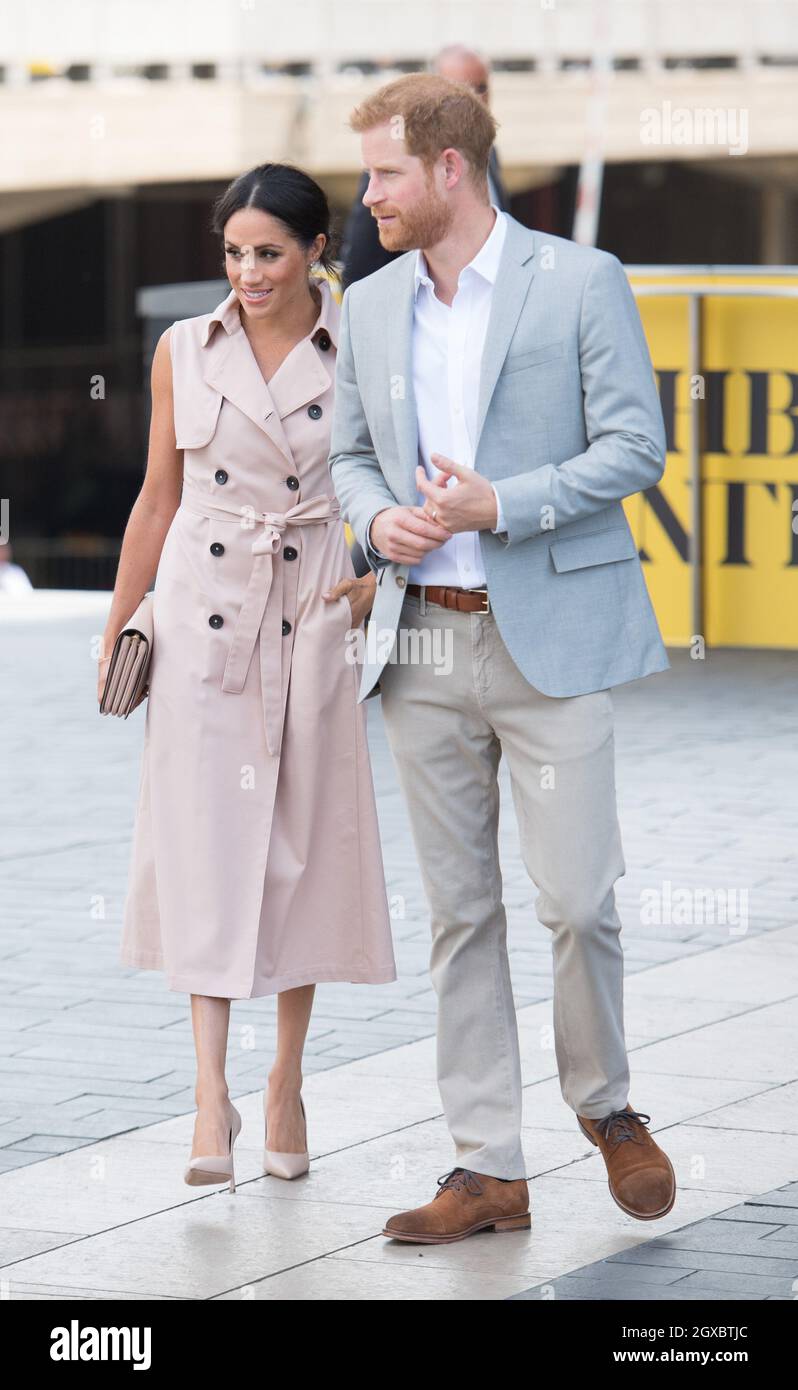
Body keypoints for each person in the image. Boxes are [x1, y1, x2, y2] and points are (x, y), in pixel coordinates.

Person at [329, 74, 677, 1243]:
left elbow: (638, 444)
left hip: (553, 635)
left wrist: (499, 503)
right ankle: (487, 1169)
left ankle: (609, 1105)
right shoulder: (370, 306)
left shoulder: (579, 280)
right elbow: (346, 460)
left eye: (383, 173)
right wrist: (376, 523)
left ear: (447, 170)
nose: (366, 194)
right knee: (458, 915)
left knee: (578, 900)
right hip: (418, 638)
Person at [101, 163, 396, 1191]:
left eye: (268, 251)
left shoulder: (362, 341)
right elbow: (156, 498)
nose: (248, 271)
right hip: (201, 619)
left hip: (309, 611)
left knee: (301, 852)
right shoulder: (185, 347)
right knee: (206, 851)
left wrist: (373, 581)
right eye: (234, 252)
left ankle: (285, 1081)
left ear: (317, 249)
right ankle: (208, 1095)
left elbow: (404, 480)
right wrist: (118, 620)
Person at [340, 44, 508, 289]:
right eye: (457, 90)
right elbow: (361, 266)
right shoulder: (391, 164)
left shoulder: (490, 156)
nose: (472, 99)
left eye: (480, 87)